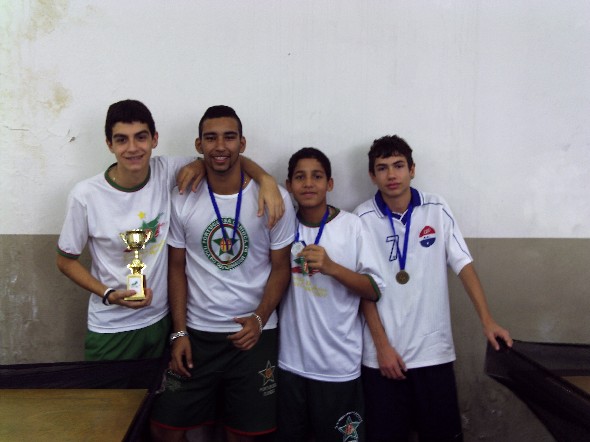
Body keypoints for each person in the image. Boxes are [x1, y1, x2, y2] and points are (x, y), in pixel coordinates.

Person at [56, 99, 283, 361]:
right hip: (111, 327)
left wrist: (264, 179)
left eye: (141, 137)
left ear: (154, 139)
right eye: (122, 140)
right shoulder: (85, 195)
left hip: (160, 323)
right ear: (109, 144)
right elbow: (65, 261)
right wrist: (108, 294)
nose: (133, 148)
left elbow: (220, 158)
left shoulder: (166, 171)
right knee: (106, 390)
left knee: (156, 389)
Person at [150, 105, 296, 442]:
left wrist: (259, 318)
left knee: (244, 435)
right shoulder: (182, 197)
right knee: (164, 428)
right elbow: (176, 268)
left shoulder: (274, 198)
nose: (220, 146)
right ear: (198, 145)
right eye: (211, 138)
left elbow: (280, 268)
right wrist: (179, 332)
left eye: (229, 137)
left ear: (242, 143)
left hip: (253, 335)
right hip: (197, 335)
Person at [353, 135, 513, 442]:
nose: (391, 175)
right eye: (382, 168)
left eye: (399, 165)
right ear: (372, 175)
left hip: (433, 354)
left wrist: (488, 320)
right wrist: (382, 348)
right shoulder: (360, 219)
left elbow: (463, 265)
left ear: (412, 169)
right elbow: (362, 289)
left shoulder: (437, 209)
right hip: (383, 358)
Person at [277, 147, 383, 442]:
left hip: (338, 365)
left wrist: (332, 268)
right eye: (300, 177)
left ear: (330, 183)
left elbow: (373, 289)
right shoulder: (282, 225)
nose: (308, 184)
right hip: (291, 363)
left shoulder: (352, 226)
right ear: (289, 185)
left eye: (317, 176)